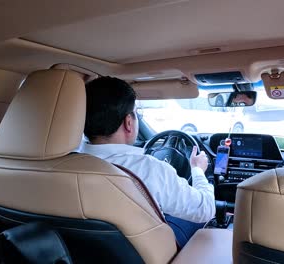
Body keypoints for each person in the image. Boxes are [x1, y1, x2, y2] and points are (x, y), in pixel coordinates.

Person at [82, 76, 215, 247]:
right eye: (137, 113)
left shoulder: (62, 164)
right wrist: (197, 171)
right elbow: (205, 209)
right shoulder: (149, 169)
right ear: (128, 123)